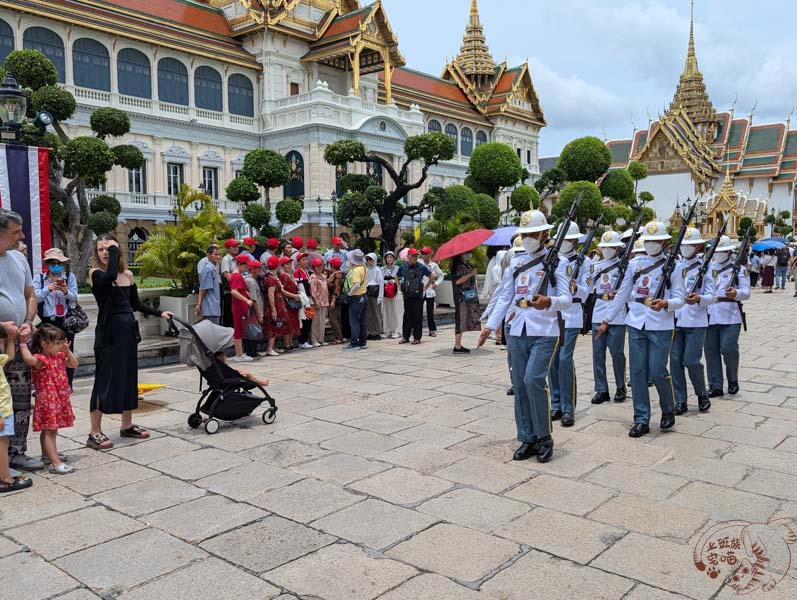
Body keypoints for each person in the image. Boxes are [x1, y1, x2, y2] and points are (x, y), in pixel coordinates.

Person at [478, 210, 572, 463]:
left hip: (544, 330)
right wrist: (490, 325)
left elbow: (567, 299)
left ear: (544, 234)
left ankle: (544, 437)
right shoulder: (517, 263)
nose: (528, 238)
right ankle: (527, 437)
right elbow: (505, 296)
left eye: (532, 234)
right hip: (518, 330)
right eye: (524, 234)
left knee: (533, 380)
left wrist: (549, 301)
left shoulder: (559, 263)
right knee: (519, 385)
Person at [597, 221, 685, 438]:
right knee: (637, 372)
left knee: (657, 370)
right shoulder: (635, 264)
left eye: (656, 240)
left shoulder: (675, 266)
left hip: (661, 323)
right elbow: (623, 294)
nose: (652, 244)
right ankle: (641, 418)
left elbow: (680, 298)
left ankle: (667, 407)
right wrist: (606, 318)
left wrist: (667, 304)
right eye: (649, 240)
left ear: (664, 242)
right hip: (636, 321)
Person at [89, 235, 173, 450]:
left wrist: (159, 312)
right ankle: (94, 431)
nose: (105, 253)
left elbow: (135, 304)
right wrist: (115, 252)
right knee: (104, 380)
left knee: (128, 377)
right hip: (108, 334)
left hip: (127, 333)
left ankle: (126, 424)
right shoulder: (96, 273)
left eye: (109, 249)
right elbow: (107, 279)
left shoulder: (128, 275)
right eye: (101, 249)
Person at [0, 209, 40, 472]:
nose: (22, 236)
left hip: (19, 340)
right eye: (16, 232)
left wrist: (28, 321)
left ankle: (17, 452)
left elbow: (30, 294)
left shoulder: (18, 259)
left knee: (21, 398)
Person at [548, 223, 591, 427]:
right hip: (554, 313)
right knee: (552, 360)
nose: (563, 243)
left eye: (566, 239)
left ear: (575, 241)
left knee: (565, 359)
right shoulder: (554, 261)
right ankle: (555, 404)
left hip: (572, 314)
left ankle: (568, 408)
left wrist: (575, 286)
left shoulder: (586, 262)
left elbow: (586, 292)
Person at [20, 324, 76, 474]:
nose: (60, 346)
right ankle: (55, 462)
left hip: (58, 398)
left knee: (50, 430)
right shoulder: (41, 359)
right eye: (57, 343)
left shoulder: (58, 356)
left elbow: (73, 363)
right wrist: (22, 343)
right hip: (48, 400)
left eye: (61, 342)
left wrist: (67, 350)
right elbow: (29, 359)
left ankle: (47, 455)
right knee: (50, 431)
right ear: (44, 344)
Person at [671, 228, 715, 415]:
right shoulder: (673, 265)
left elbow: (712, 295)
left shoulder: (707, 267)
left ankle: (701, 393)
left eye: (689, 245)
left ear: (697, 246)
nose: (685, 248)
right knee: (675, 362)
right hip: (675, 319)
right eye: (683, 245)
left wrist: (699, 299)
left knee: (691, 360)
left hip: (696, 320)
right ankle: (680, 400)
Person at [705, 235, 750, 398]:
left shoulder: (739, 269)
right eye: (716, 251)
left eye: (723, 251)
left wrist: (736, 293)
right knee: (711, 351)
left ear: (730, 252)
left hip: (730, 314)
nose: (719, 254)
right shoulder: (707, 267)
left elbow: (746, 293)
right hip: (709, 313)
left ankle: (732, 379)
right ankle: (715, 385)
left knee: (728, 348)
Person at [589, 231, 627, 405]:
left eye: (611, 247)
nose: (608, 250)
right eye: (605, 247)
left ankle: (620, 386)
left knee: (617, 352)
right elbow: (588, 288)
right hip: (599, 311)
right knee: (598, 353)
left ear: (618, 248)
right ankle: (601, 389)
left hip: (617, 314)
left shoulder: (625, 266)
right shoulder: (597, 266)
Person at [34, 248, 79, 388]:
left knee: (66, 350)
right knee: (46, 351)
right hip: (46, 321)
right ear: (47, 264)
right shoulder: (40, 279)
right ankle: (46, 383)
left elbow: (74, 297)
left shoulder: (69, 277)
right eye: (52, 263)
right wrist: (48, 289)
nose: (56, 265)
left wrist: (66, 292)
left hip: (65, 320)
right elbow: (36, 298)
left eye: (58, 263)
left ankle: (67, 383)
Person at [1, 326, 32, 492]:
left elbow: (10, 356)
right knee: (1, 443)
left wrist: (11, 340)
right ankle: (5, 478)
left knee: (4, 441)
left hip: (5, 410)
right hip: (1, 412)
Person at [398, 248, 434, 345]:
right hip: (407, 295)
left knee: (417, 317)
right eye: (412, 256)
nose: (414, 258)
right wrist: (399, 287)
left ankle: (417, 338)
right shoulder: (403, 266)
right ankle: (405, 337)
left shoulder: (421, 267)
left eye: (416, 256)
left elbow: (432, 276)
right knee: (407, 316)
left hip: (418, 296)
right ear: (408, 256)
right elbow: (396, 276)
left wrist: (426, 287)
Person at [451, 251, 480, 354]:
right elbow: (458, 281)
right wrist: (471, 273)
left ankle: (458, 344)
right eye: (466, 253)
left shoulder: (465, 264)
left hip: (466, 296)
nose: (468, 255)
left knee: (463, 319)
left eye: (470, 253)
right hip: (461, 297)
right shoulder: (458, 266)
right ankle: (457, 345)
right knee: (460, 319)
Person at [262, 256, 289, 356]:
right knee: (273, 325)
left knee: (276, 325)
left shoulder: (269, 276)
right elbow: (270, 294)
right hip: (273, 305)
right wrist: (273, 309)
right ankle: (269, 348)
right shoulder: (271, 278)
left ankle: (273, 347)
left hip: (275, 304)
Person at [229, 255, 255, 362]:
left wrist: (246, 293)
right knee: (238, 329)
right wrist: (246, 300)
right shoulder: (236, 276)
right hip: (238, 306)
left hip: (240, 306)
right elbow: (234, 291)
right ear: (241, 264)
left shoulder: (237, 275)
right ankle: (239, 354)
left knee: (240, 328)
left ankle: (240, 353)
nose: (247, 268)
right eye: (246, 265)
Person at [343, 249, 368, 351]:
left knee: (354, 322)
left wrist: (349, 294)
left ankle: (354, 343)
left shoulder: (356, 270)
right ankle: (363, 342)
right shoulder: (364, 268)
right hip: (363, 296)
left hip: (356, 297)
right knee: (362, 321)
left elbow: (356, 285)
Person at [420, 247, 445, 337]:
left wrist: (437, 283)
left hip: (430, 290)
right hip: (420, 290)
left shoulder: (434, 265)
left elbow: (441, 275)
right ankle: (417, 329)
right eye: (422, 253)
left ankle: (432, 329)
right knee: (418, 311)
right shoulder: (419, 264)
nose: (424, 255)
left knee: (430, 312)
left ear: (429, 254)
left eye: (425, 253)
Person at [279, 256, 301, 350]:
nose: (289, 266)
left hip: (293, 301)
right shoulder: (283, 275)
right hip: (288, 301)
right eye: (287, 264)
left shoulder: (290, 274)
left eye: (290, 264)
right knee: (288, 323)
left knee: (293, 322)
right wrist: (293, 295)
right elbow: (282, 290)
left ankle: (291, 343)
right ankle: (287, 344)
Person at [196, 244, 222, 325]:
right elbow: (204, 288)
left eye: (219, 254)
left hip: (214, 307)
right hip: (210, 307)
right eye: (215, 254)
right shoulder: (208, 269)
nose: (218, 257)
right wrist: (199, 303)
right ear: (209, 255)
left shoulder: (214, 268)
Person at [244, 259, 265, 358]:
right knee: (253, 330)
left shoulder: (253, 279)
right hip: (253, 311)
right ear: (252, 269)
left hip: (255, 309)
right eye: (258, 268)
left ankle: (253, 351)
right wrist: (258, 314)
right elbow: (254, 299)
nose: (260, 269)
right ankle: (251, 351)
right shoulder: (250, 281)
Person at [294, 253, 314, 349]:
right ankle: (302, 341)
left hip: (308, 298)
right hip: (304, 299)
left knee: (309, 319)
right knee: (305, 320)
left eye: (306, 259)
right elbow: (299, 286)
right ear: (298, 262)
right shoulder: (298, 272)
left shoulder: (306, 271)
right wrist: (304, 299)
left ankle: (305, 340)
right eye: (303, 260)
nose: (306, 261)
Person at [381, 251, 403, 339]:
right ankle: (388, 330)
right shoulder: (382, 269)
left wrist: (395, 282)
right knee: (387, 311)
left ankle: (397, 330)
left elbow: (402, 279)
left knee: (397, 311)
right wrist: (385, 282)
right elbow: (379, 279)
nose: (389, 259)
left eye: (391, 257)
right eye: (387, 257)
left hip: (396, 291)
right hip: (386, 292)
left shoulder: (398, 268)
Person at [309, 257, 329, 347]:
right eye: (317, 266)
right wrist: (316, 302)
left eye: (321, 265)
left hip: (324, 302)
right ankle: (314, 340)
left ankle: (321, 339)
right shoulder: (313, 277)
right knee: (316, 322)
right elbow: (313, 292)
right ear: (314, 267)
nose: (320, 267)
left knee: (322, 322)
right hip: (318, 302)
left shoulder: (323, 276)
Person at [220, 239, 240, 326]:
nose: (237, 248)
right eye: (234, 246)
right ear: (228, 249)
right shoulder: (226, 259)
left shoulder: (236, 259)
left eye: (237, 246)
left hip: (235, 290)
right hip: (229, 291)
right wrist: (236, 284)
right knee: (229, 314)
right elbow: (226, 274)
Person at [365, 253, 384, 341]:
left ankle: (377, 332)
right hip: (367, 292)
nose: (369, 261)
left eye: (370, 259)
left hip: (375, 293)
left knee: (376, 313)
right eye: (367, 259)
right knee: (369, 314)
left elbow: (381, 283)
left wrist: (380, 296)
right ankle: (370, 331)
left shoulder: (377, 270)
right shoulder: (366, 269)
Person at [327, 257, 345, 344]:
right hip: (338, 299)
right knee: (337, 318)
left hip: (335, 299)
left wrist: (333, 300)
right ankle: (338, 336)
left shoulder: (337, 275)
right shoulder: (338, 273)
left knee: (333, 319)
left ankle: (339, 337)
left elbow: (337, 289)